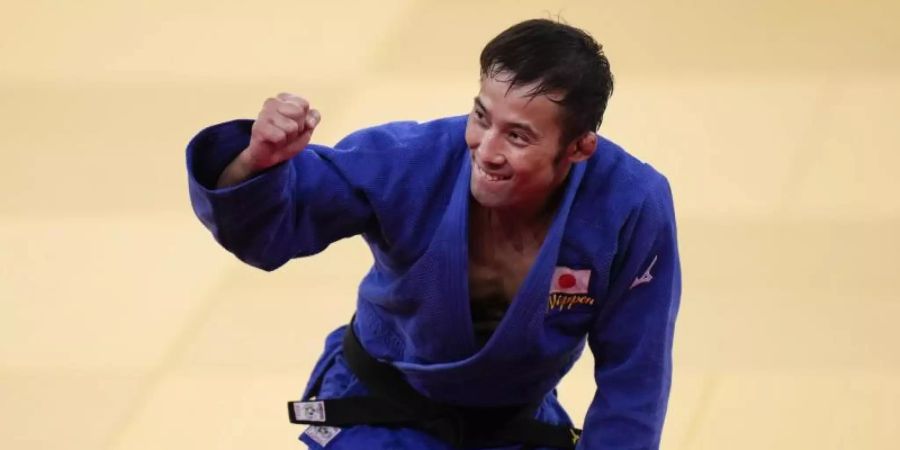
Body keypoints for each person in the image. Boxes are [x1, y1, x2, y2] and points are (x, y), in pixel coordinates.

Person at [187, 18, 681, 450]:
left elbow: (635, 376)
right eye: (481, 117)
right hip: (379, 414)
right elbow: (271, 231)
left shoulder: (631, 206)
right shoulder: (409, 159)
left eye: (518, 135)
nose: (486, 150)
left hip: (513, 429)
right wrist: (258, 161)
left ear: (579, 148)